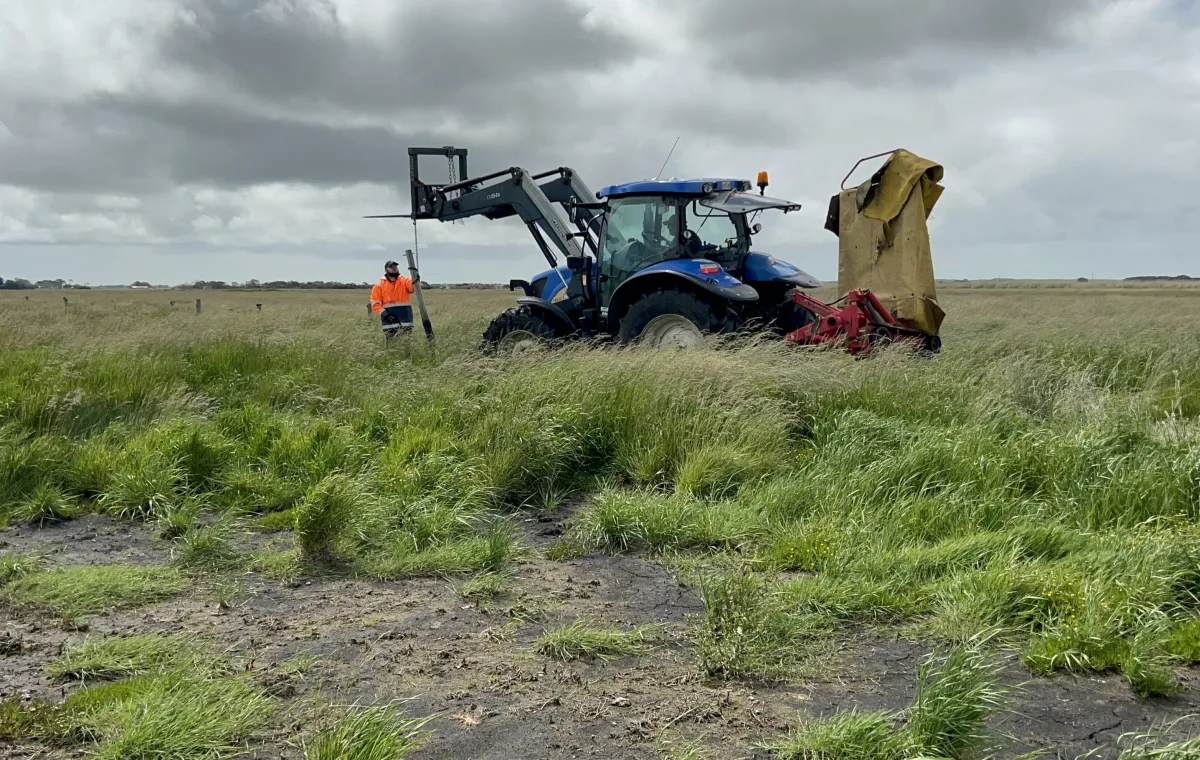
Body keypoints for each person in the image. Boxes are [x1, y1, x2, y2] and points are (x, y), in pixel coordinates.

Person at [370, 260, 418, 339]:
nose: (394, 268)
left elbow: (412, 288)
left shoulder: (404, 281)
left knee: (407, 344)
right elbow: (375, 303)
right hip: (389, 320)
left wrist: (416, 278)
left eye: (395, 266)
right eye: (391, 267)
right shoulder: (379, 285)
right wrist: (385, 314)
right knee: (392, 345)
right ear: (386, 270)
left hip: (405, 319)